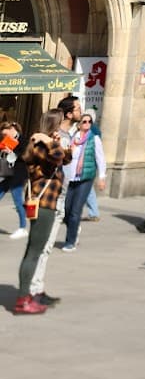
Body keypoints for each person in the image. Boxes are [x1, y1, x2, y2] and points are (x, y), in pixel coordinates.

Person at [13, 113, 71, 314]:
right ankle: (23, 299)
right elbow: (59, 157)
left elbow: (67, 157)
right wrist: (48, 141)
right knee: (34, 252)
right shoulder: (40, 146)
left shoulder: (45, 144)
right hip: (43, 205)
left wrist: (53, 141)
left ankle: (26, 295)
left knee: (34, 250)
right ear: (53, 126)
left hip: (45, 204)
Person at [61, 111, 106, 251]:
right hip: (71, 177)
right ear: (79, 124)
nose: (87, 124)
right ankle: (75, 228)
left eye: (89, 122)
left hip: (85, 177)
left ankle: (70, 241)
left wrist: (102, 177)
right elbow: (67, 157)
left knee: (75, 211)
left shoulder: (94, 139)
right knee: (67, 210)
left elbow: (100, 159)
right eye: (84, 121)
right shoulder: (73, 138)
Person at [0, 120, 28, 241]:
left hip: (19, 175)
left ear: (12, 129)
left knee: (18, 201)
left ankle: (23, 228)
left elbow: (25, 156)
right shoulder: (7, 141)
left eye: (6, 134)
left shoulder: (23, 140)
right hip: (8, 173)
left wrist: (12, 151)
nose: (5, 137)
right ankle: (22, 227)